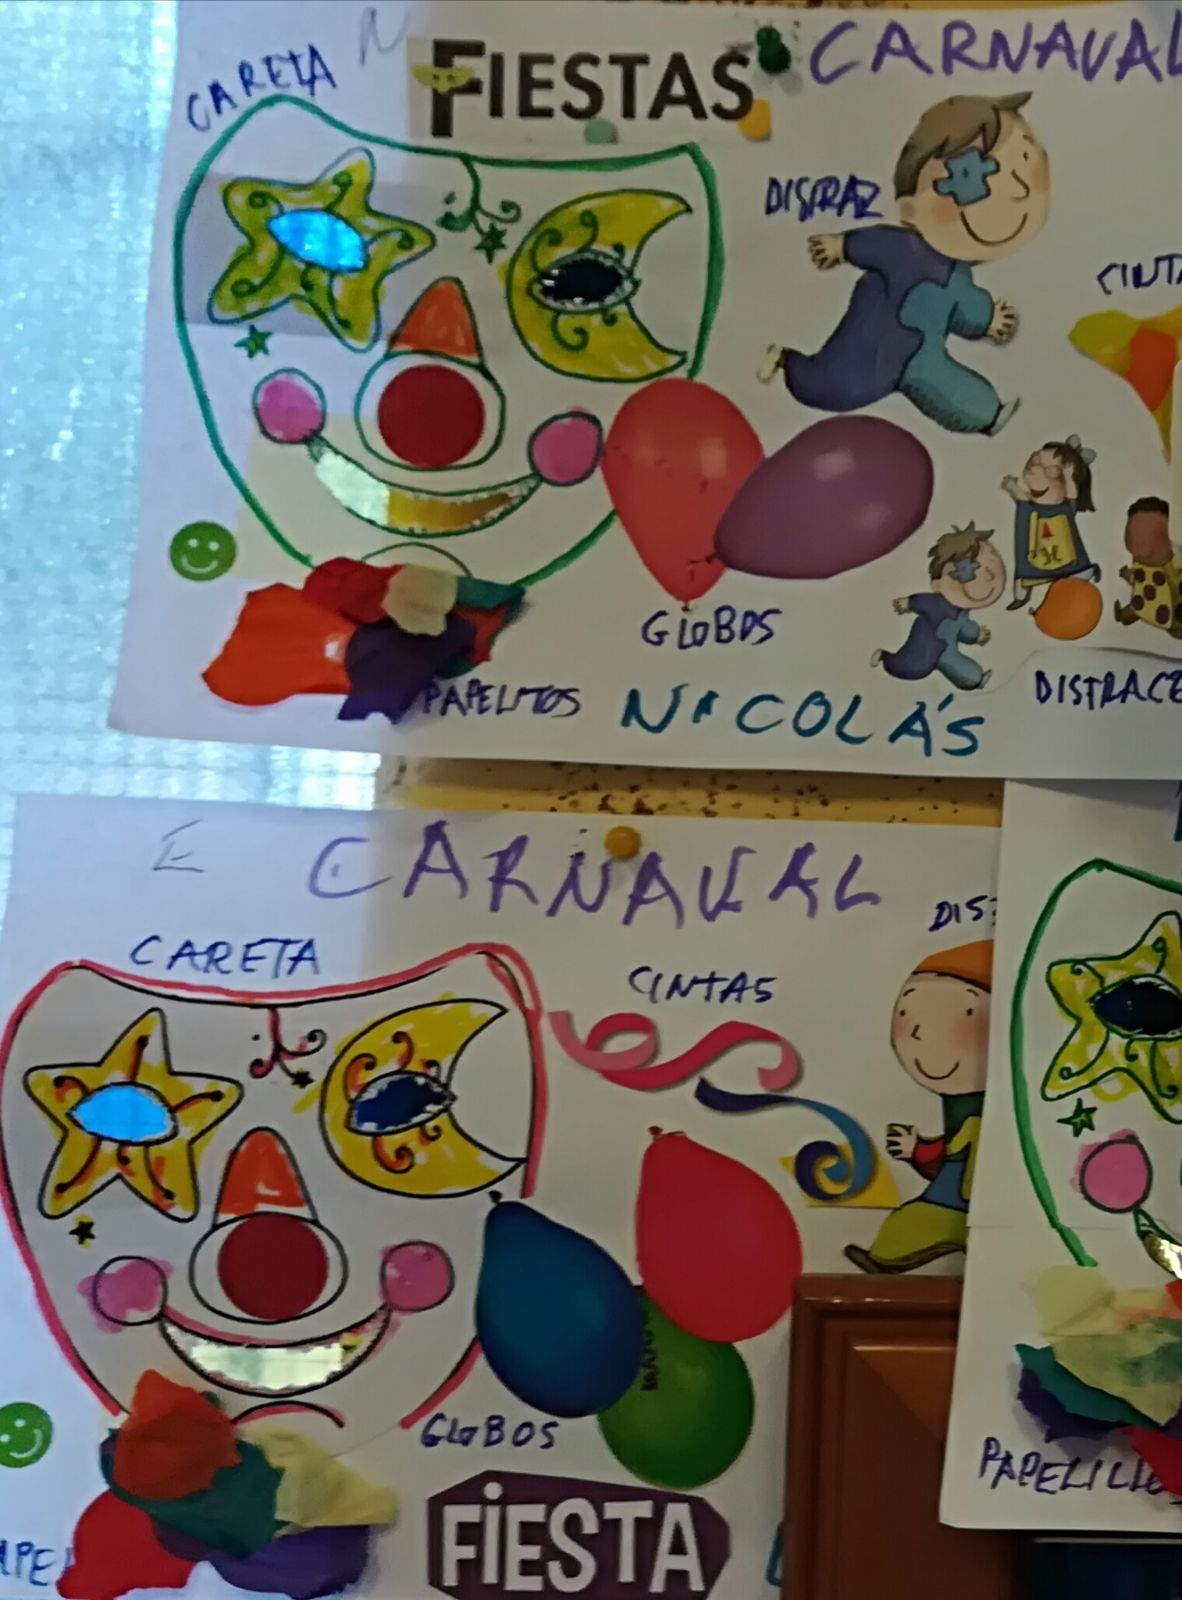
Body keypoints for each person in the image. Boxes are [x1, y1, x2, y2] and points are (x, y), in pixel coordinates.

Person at [758, 92, 1050, 435]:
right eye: (973, 180)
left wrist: (988, 319)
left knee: (944, 386)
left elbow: (966, 306)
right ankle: (787, 362)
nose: (1017, 189)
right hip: (876, 340)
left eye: (1025, 158)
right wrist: (841, 246)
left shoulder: (958, 275)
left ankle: (989, 414)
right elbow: (876, 245)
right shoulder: (905, 248)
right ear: (910, 207)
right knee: (837, 383)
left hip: (920, 355)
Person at [845, 940, 992, 1275]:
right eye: (905, 1015)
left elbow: (963, 1145)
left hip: (965, 1201)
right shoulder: (958, 1104)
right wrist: (918, 1151)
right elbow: (955, 1149)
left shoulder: (996, 1107)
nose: (918, 1033)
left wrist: (920, 1150)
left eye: (968, 1015)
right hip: (949, 1198)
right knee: (908, 1224)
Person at [872, 523, 1005, 690]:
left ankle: (976, 679)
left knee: (955, 664)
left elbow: (965, 629)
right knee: (912, 667)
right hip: (926, 645)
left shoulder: (962, 612)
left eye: (991, 563)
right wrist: (909, 603)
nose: (989, 576)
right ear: (938, 583)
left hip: (947, 650)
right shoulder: (938, 603)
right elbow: (925, 602)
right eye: (970, 569)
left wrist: (976, 634)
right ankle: (885, 658)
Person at [1003, 435, 1099, 610]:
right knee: (1025, 572)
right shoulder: (1028, 506)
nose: (1035, 468)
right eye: (1035, 460)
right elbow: (1020, 496)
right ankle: (1022, 593)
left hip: (1063, 554)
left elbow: (1072, 496)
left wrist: (1069, 476)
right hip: (1032, 556)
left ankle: (1082, 573)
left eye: (1051, 471)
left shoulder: (1064, 508)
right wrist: (1011, 486)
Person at [1114, 496, 1181, 637]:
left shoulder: (1174, 559)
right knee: (1139, 605)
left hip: (1173, 605)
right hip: (1146, 600)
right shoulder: (1139, 561)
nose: (1139, 542)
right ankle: (1125, 616)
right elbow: (1139, 579)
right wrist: (1129, 576)